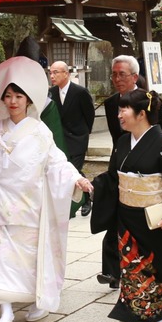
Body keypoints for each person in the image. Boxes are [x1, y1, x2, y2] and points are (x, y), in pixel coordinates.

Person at [0, 58, 93, 322]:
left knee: (29, 257)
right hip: (1, 203)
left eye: (18, 96)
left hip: (30, 203)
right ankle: (6, 310)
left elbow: (56, 161)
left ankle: (36, 298)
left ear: (28, 100)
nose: (12, 101)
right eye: (8, 96)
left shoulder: (39, 130)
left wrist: (76, 178)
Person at [90, 89, 162, 322]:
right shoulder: (123, 143)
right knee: (133, 270)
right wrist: (92, 187)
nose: (119, 114)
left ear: (141, 114)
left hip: (156, 219)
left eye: (124, 109)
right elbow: (114, 179)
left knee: (161, 268)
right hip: (128, 217)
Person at [100, 55, 162, 289]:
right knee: (112, 213)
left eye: (122, 74)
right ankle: (111, 271)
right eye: (114, 74)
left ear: (134, 77)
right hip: (119, 162)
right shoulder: (110, 103)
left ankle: (144, 266)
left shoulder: (150, 100)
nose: (117, 79)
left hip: (146, 166)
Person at [48, 61, 96, 217]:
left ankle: (84, 199)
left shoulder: (80, 92)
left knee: (73, 169)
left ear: (66, 73)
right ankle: (80, 198)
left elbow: (89, 115)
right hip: (59, 140)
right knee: (65, 169)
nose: (52, 76)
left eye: (56, 72)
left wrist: (83, 134)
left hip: (77, 138)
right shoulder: (51, 93)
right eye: (50, 73)